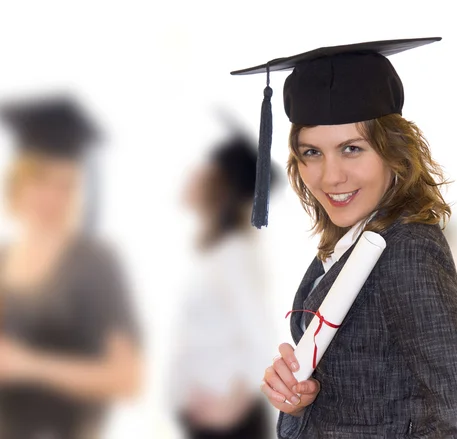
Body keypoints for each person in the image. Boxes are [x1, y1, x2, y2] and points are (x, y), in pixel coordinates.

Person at [231, 38, 457, 438]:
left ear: (394, 152)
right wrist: (301, 398)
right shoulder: (351, 243)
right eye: (312, 152)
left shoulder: (407, 250)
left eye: (351, 149)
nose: (330, 176)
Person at [0, 96, 142, 439]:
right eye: (41, 181)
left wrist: (28, 366)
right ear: (19, 182)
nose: (52, 197)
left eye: (64, 185)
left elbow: (128, 378)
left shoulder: (95, 264)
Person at [169, 130, 278, 439]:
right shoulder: (212, 254)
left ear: (219, 186)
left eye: (202, 169)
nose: (191, 175)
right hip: (206, 417)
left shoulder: (235, 256)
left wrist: (231, 407)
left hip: (229, 423)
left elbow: (259, 335)